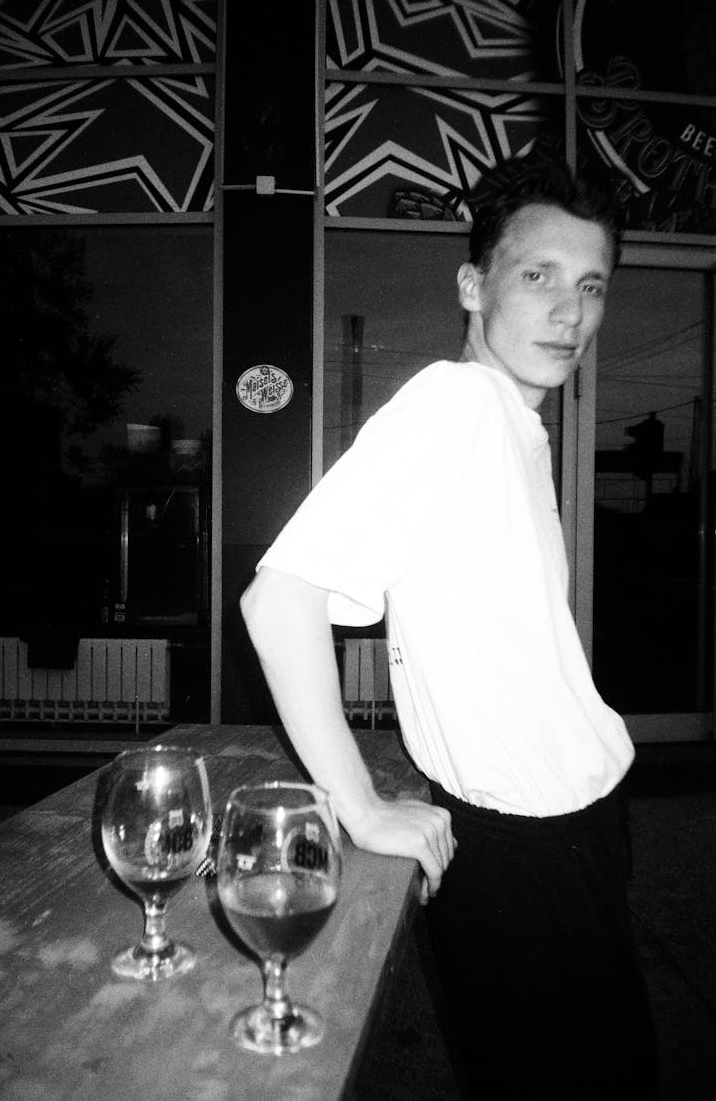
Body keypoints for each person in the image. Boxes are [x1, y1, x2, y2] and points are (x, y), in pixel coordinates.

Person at [240, 155, 659, 1099]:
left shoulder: (512, 424)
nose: (570, 310)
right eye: (538, 275)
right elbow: (281, 599)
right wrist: (358, 804)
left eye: (590, 285)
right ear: (474, 286)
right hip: (526, 855)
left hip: (570, 831)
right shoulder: (457, 405)